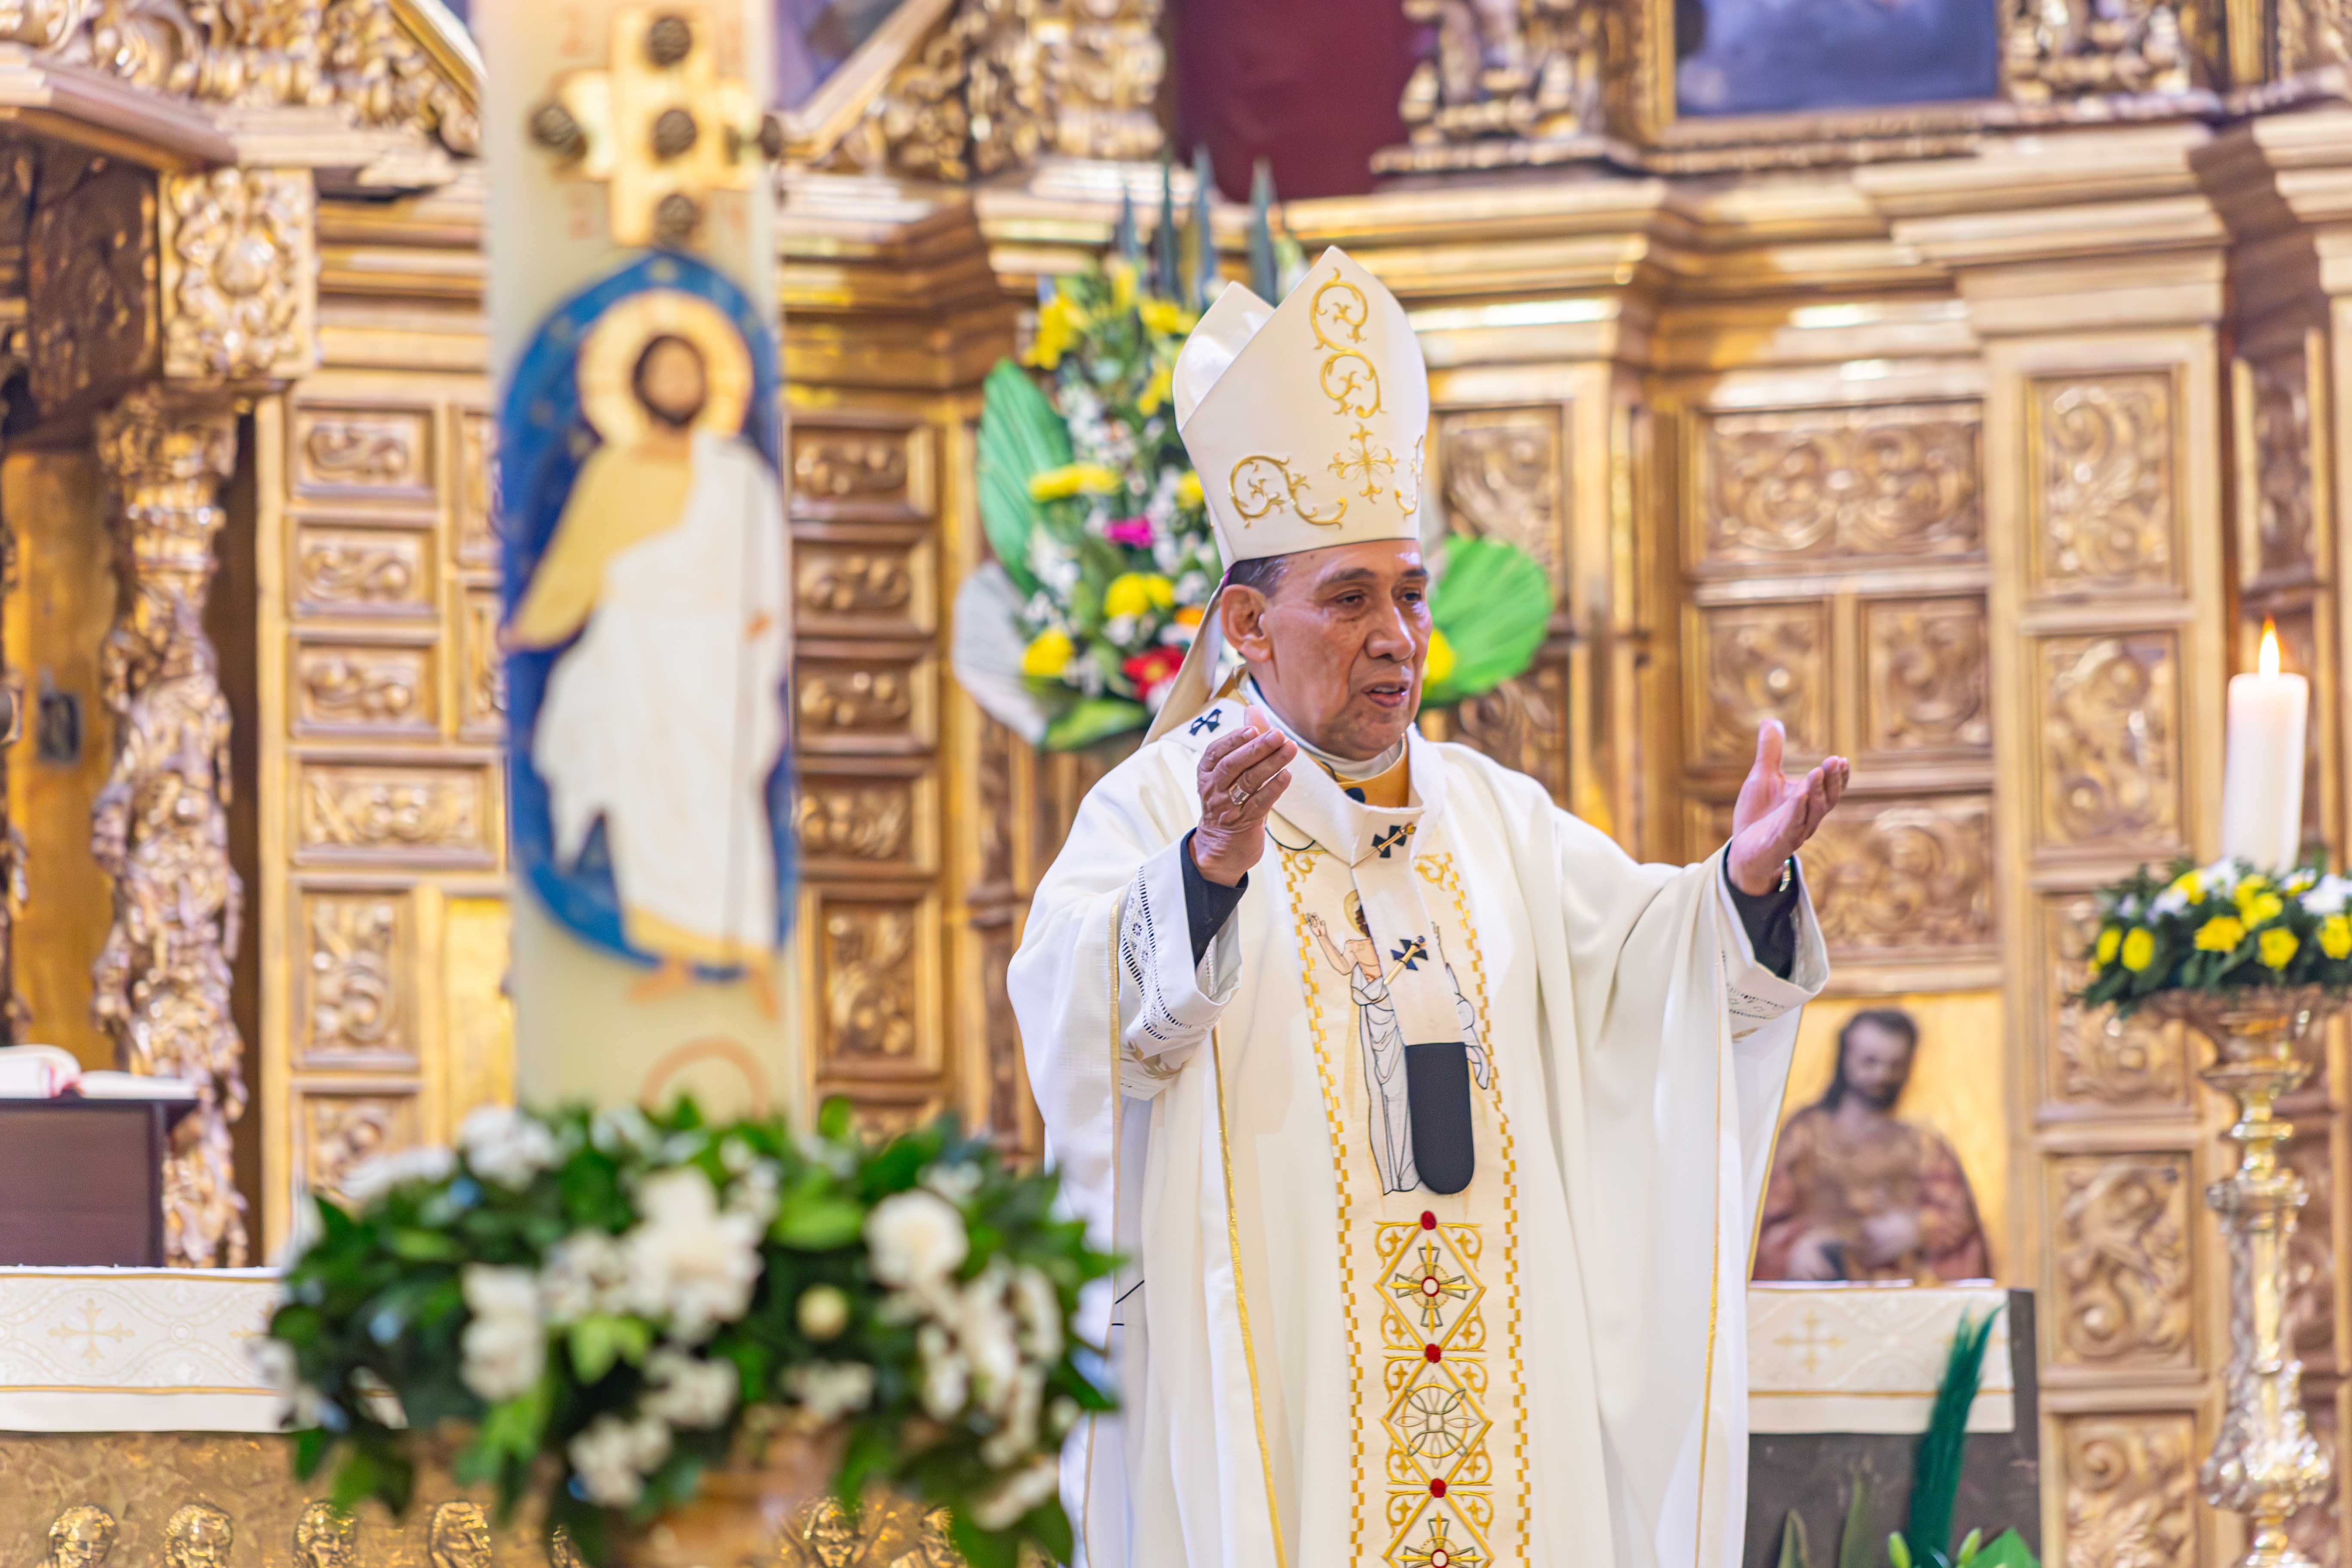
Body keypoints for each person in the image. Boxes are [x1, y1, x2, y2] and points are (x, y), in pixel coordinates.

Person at [1011, 248, 1850, 1568]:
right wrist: (1211, 868)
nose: (1397, 635)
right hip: (1293, 1383)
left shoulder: (1497, 817)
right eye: (1350, 599)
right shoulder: (1161, 807)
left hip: (1512, 1399)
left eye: (1409, 593)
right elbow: (1076, 1013)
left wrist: (1739, 886)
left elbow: (1649, 980)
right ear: (1248, 624)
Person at [509, 308, 788, 1009]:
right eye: (664, 373)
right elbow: (577, 563)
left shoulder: (736, 474)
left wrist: (761, 618)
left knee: (720, 794)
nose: (676, 384)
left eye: (687, 373)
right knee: (646, 790)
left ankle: (751, 950)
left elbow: (767, 561)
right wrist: (524, 630)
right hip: (637, 650)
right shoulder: (615, 469)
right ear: (637, 384)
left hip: (715, 657)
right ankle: (674, 953)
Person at [1753, 1008, 1991, 1284]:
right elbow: (1760, 1219)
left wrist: (1918, 1229)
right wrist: (1793, 1249)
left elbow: (1958, 1219)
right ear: (1845, 1057)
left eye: (1895, 1065)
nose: (1881, 1075)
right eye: (1869, 1062)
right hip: (1821, 1286)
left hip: (1900, 1290)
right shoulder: (1805, 1134)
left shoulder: (1923, 1146)